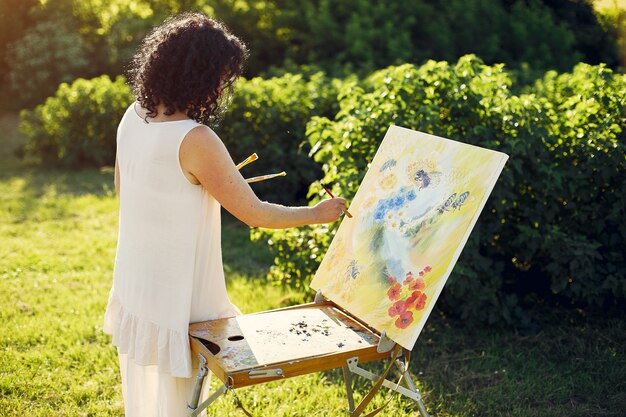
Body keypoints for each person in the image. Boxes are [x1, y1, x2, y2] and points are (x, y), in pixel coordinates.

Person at [102, 12, 347, 417]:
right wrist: (317, 213)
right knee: (179, 401)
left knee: (147, 395)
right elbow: (255, 214)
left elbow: (123, 186)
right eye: (221, 76)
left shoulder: (133, 115)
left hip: (138, 276)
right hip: (177, 286)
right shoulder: (195, 138)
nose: (222, 87)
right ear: (198, 74)